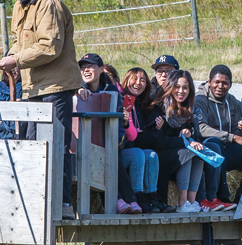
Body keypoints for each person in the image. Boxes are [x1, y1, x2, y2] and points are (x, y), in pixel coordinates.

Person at [0, 0, 81, 220]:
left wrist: (16, 59)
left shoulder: (49, 2)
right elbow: (21, 43)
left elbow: (49, 48)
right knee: (30, 144)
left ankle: (63, 205)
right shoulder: (21, 4)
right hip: (32, 87)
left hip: (56, 86)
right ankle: (34, 202)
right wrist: (12, 60)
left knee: (56, 145)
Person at [195, 64, 242, 211]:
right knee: (215, 143)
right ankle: (222, 197)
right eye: (217, 82)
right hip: (208, 157)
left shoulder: (232, 102)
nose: (220, 86)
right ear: (209, 82)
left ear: (230, 85)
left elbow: (239, 134)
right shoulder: (200, 100)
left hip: (227, 153)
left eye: (225, 83)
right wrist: (234, 137)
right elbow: (201, 129)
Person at [75, 53, 140, 214]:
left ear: (101, 69)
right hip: (84, 144)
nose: (86, 70)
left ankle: (124, 200)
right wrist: (78, 92)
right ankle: (124, 200)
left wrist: (117, 142)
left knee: (112, 155)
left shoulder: (111, 90)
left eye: (90, 66)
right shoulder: (77, 88)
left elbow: (117, 119)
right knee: (106, 157)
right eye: (82, 67)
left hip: (108, 141)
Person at [144, 70, 206, 213]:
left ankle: (192, 201)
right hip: (158, 156)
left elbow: (182, 131)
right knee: (188, 151)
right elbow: (157, 142)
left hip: (173, 154)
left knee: (199, 153)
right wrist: (186, 142)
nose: (181, 91)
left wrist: (187, 131)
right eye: (177, 87)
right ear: (170, 86)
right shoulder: (157, 108)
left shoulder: (183, 110)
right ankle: (182, 203)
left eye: (185, 87)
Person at [119, 67, 162, 213]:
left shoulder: (139, 104)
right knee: (137, 153)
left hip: (132, 148)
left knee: (151, 155)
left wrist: (155, 129)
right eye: (135, 79)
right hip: (118, 154)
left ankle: (151, 198)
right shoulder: (121, 100)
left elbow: (140, 140)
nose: (138, 83)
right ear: (126, 80)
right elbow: (129, 139)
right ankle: (137, 198)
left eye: (143, 80)